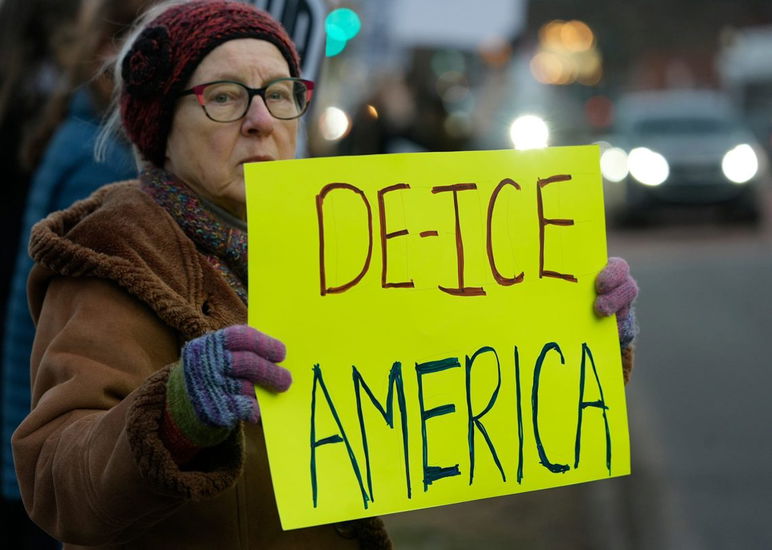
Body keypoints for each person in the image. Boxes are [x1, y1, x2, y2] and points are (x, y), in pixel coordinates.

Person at [11, 1, 639, 548]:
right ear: (160, 131)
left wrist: (579, 328)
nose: (261, 120)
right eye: (224, 96)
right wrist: (174, 416)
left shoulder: (344, 246)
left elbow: (452, 392)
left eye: (280, 93)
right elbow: (57, 484)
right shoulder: (114, 257)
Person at [2, 2, 155, 546]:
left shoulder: (80, 131)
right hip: (49, 445)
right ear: (110, 57)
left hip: (36, 430)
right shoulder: (101, 165)